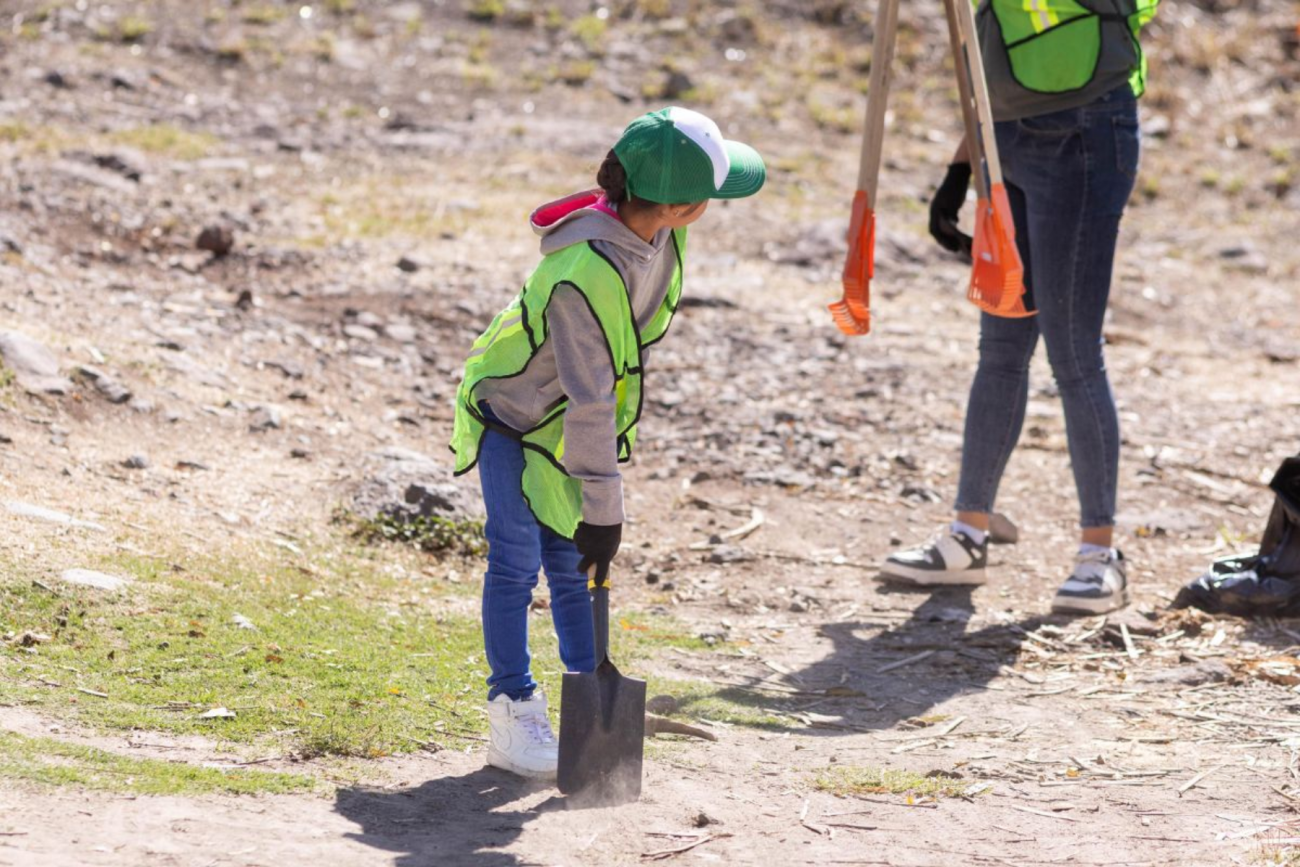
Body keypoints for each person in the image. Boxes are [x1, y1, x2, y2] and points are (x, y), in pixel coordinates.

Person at [449, 107, 766, 779]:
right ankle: (511, 707)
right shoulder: (581, 273)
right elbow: (593, 394)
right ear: (681, 205)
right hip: (512, 415)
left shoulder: (656, 239)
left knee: (571, 562)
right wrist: (606, 506)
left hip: (563, 424)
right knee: (515, 560)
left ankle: (588, 690)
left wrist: (596, 508)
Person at [880, 0, 1159, 614]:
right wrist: (959, 166)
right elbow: (985, 53)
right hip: (1004, 138)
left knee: (1073, 351)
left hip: (1088, 127)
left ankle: (1100, 555)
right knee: (1001, 347)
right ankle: (968, 534)